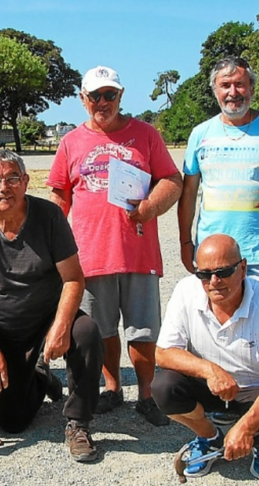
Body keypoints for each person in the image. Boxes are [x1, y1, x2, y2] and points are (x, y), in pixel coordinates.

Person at [48, 65, 183, 425]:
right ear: (83, 99)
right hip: (90, 255)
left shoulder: (146, 135)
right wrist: (51, 247)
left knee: (143, 331)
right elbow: (60, 197)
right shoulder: (70, 142)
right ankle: (112, 387)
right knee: (101, 330)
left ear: (121, 96)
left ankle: (147, 395)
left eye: (110, 94)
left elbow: (173, 180)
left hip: (138, 252)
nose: (103, 102)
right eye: (95, 96)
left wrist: (149, 207)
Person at [0, 149, 103, 462]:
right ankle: (41, 377)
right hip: (1, 330)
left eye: (11, 179)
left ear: (25, 181)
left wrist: (61, 327)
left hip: (46, 319)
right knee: (12, 422)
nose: (3, 187)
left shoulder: (49, 217)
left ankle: (79, 422)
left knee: (86, 331)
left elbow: (73, 279)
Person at [153, 234, 259, 482]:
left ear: (243, 268)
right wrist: (210, 371)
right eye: (204, 274)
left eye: (223, 272)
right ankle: (209, 437)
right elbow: (163, 353)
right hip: (211, 387)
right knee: (164, 389)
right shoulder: (185, 291)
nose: (214, 282)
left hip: (256, 389)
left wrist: (246, 427)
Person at [178, 56, 259, 293]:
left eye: (240, 84)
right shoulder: (200, 134)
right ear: (215, 90)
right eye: (225, 85)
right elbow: (189, 193)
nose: (233, 92)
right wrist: (185, 242)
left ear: (252, 88)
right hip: (213, 258)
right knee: (215, 317)